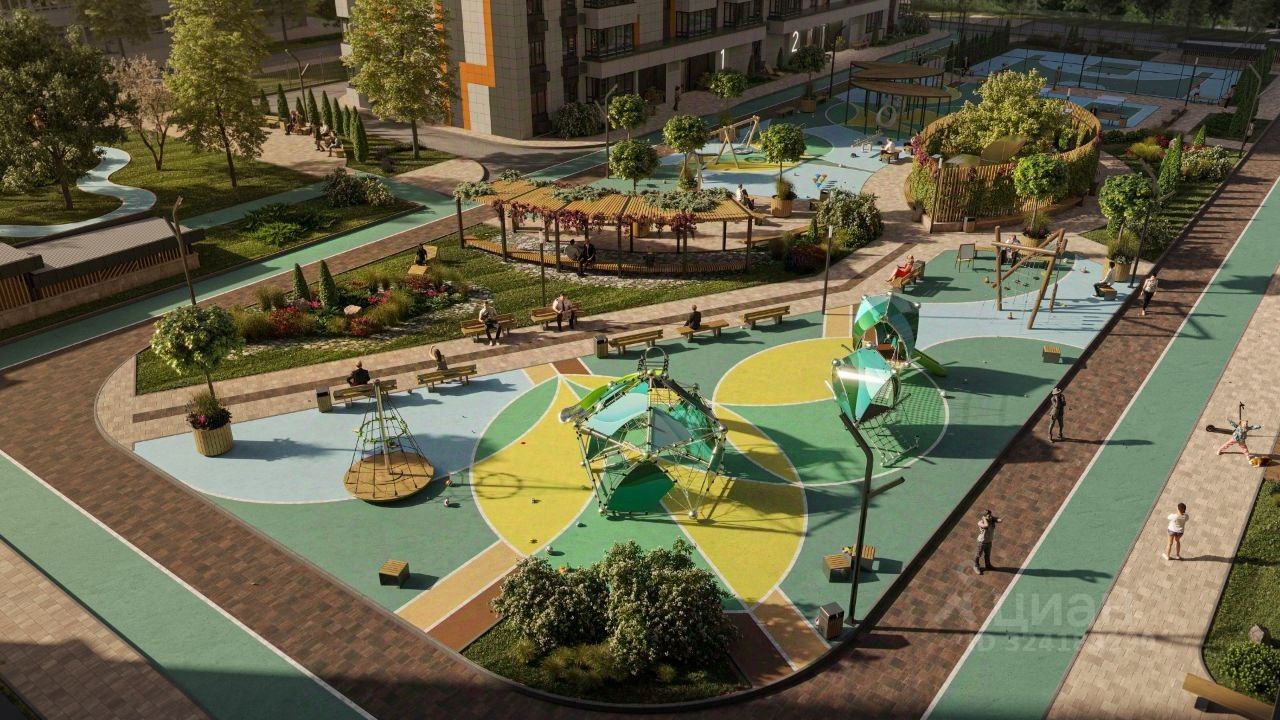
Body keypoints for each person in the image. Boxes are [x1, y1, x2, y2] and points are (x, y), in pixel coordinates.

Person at [974, 509, 1001, 574]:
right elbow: (986, 525)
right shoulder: (980, 523)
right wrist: (985, 519)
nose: (990, 517)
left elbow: (1000, 520)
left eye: (991, 515)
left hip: (989, 541)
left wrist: (992, 517)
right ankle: (976, 566)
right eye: (989, 516)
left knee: (987, 554)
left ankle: (988, 565)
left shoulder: (991, 520)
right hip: (982, 542)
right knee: (978, 555)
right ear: (984, 517)